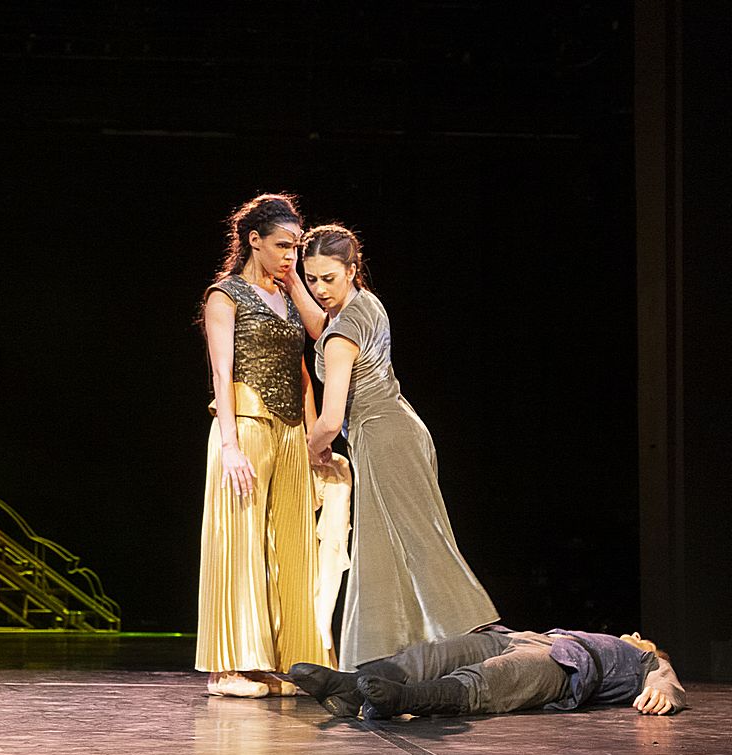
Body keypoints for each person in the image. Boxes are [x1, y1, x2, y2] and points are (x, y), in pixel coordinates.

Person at [298, 224, 498, 669]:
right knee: (386, 549)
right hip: (402, 429)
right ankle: (391, 656)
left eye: (328, 278)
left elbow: (330, 420)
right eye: (311, 279)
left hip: (382, 437)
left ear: (352, 270)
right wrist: (294, 282)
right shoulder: (365, 304)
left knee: (419, 542)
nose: (320, 289)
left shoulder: (342, 334)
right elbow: (321, 326)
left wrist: (310, 451)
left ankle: (479, 645)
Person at [196, 194, 332, 699]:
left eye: (295, 247)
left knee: (294, 544)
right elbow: (222, 373)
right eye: (282, 246)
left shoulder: (289, 296)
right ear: (254, 240)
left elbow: (318, 344)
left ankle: (287, 661)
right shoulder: (225, 295)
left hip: (291, 431)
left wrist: (315, 440)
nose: (290, 256)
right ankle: (230, 667)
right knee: (241, 539)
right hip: (246, 424)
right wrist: (229, 445)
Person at [286, 628, 686, 718]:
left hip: (570, 667)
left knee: (496, 676)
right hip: (520, 637)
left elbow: (666, 678)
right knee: (436, 653)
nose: (635, 636)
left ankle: (404, 700)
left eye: (643, 639)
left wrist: (663, 692)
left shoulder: (643, 660)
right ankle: (348, 685)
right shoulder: (592, 633)